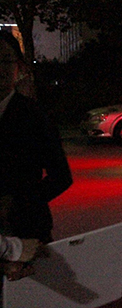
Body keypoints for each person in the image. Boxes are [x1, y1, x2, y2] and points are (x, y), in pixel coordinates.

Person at [0, 30, 73, 279]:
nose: (0, 69)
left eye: (6, 60)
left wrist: (16, 202)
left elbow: (61, 176)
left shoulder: (35, 116)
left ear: (19, 68)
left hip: (27, 228)